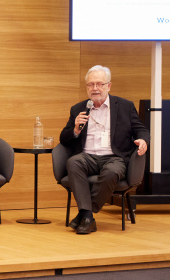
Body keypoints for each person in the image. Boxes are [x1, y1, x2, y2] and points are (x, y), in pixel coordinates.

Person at [60, 65, 149, 235]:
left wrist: (143, 140)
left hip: (114, 157)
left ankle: (85, 214)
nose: (95, 88)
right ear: (86, 87)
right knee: (73, 162)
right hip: (87, 156)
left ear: (109, 86)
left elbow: (141, 129)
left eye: (99, 84)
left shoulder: (125, 106)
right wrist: (76, 130)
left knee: (112, 171)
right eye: (91, 85)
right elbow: (64, 138)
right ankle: (87, 216)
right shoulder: (78, 109)